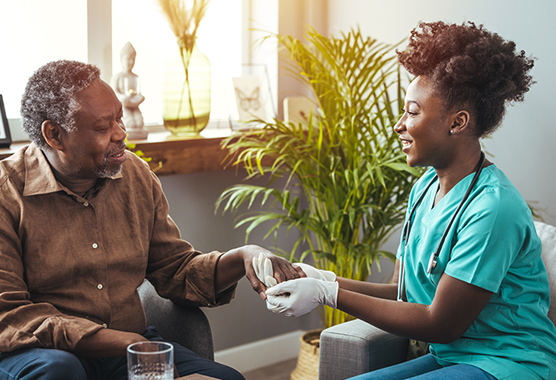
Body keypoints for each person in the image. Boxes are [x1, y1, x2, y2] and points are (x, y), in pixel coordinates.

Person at [262, 21, 556, 379]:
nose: (399, 124)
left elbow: (440, 325)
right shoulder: (424, 190)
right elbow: (402, 294)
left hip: (511, 364)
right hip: (455, 358)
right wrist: (323, 277)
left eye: (412, 111)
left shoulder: (493, 209)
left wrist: (328, 294)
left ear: (457, 122)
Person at [0, 59, 304, 380]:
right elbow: (9, 313)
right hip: (40, 353)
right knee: (61, 370)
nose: (121, 134)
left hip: (128, 348)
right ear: (54, 135)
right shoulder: (7, 194)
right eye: (104, 127)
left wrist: (245, 256)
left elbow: (174, 270)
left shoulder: (134, 174)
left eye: (119, 118)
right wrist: (120, 340)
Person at [110, 42, 148, 140]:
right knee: (130, 123)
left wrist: (139, 98)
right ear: (121, 60)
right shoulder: (117, 77)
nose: (130, 62)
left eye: (133, 59)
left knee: (139, 123)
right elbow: (114, 93)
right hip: (123, 107)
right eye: (128, 59)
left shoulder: (135, 77)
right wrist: (124, 98)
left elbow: (138, 93)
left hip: (134, 105)